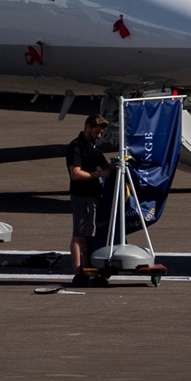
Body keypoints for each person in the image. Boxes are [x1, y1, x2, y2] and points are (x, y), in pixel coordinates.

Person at [66, 112, 115, 285]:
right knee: (79, 234)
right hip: (81, 194)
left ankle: (87, 267)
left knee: (89, 233)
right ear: (88, 127)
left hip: (93, 194)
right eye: (97, 132)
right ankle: (78, 269)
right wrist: (99, 174)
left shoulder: (94, 148)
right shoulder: (76, 147)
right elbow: (76, 174)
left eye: (101, 133)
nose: (99, 135)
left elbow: (105, 164)